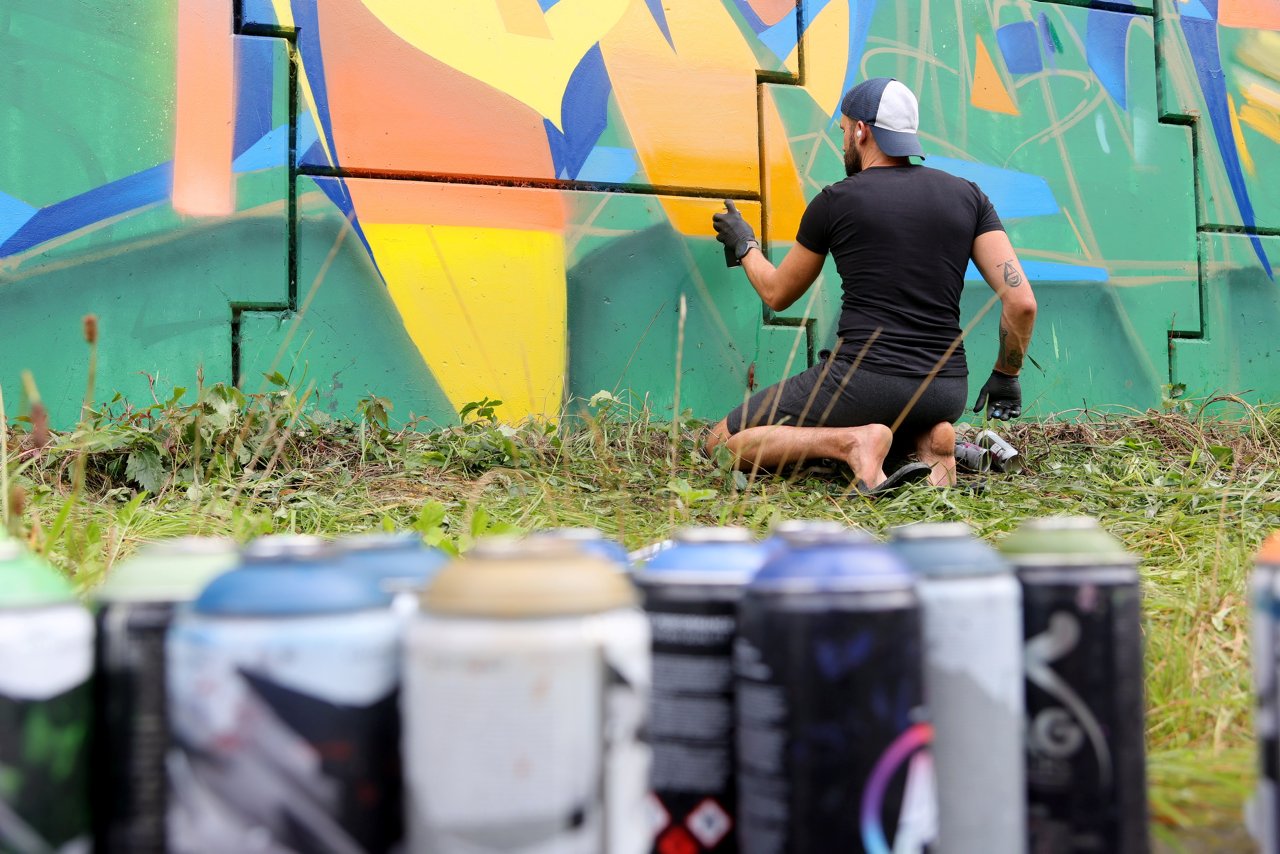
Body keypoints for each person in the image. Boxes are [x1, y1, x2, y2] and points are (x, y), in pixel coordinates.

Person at [705, 77, 1037, 494]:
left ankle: (852, 441)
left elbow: (777, 293)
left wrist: (745, 245)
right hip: (945, 390)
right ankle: (932, 438)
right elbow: (1022, 302)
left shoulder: (835, 201)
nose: (843, 140)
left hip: (863, 384)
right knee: (908, 418)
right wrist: (1006, 375)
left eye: (844, 130)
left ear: (861, 131)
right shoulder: (969, 196)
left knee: (720, 443)